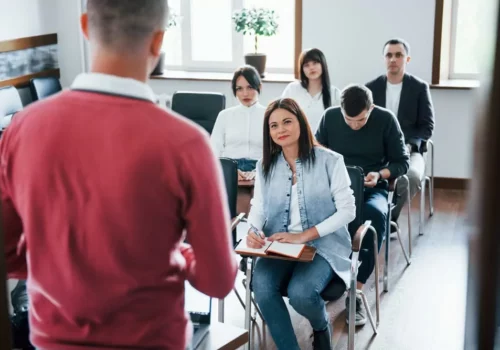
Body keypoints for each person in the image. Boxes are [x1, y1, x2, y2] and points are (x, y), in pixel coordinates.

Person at [1, 1, 237, 349]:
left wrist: (59, 264)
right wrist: (182, 254)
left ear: (84, 26)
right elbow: (218, 281)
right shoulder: (188, 143)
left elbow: (6, 251)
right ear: (158, 42)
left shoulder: (22, 127)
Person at [247, 98, 356, 350]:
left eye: (287, 121)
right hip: (279, 245)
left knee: (301, 294)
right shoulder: (265, 166)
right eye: (273, 126)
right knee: (262, 288)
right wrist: (253, 230)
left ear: (301, 123)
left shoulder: (331, 161)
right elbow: (258, 207)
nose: (280, 130)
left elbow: (348, 210)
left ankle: (320, 326)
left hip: (322, 246)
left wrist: (305, 235)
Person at [316, 84, 409, 326]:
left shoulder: (386, 120)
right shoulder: (330, 117)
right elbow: (316, 152)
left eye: (360, 120)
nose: (354, 125)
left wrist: (380, 174)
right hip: (334, 189)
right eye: (349, 119)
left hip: (371, 188)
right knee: (314, 214)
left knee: (373, 218)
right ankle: (326, 278)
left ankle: (355, 292)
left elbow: (401, 162)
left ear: (371, 108)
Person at [366, 38, 435, 227]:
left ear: (407, 59)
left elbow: (427, 126)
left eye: (398, 55)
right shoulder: (371, 88)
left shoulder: (419, 88)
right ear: (383, 59)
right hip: (378, 150)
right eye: (389, 55)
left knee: (410, 177)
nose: (393, 59)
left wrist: (410, 144)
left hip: (410, 150)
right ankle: (371, 216)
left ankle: (388, 219)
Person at [211, 65, 266, 180]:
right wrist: (230, 171)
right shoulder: (224, 115)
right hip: (230, 168)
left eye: (250, 87)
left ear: (259, 87)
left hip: (261, 169)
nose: (245, 94)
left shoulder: (269, 116)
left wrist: (259, 172)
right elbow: (214, 150)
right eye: (239, 89)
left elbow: (276, 153)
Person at [282, 48, 341, 132]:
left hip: (324, 142)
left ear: (323, 65)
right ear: (302, 69)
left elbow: (338, 124)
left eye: (315, 63)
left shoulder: (335, 93)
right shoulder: (292, 89)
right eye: (306, 65)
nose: (311, 68)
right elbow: (282, 116)